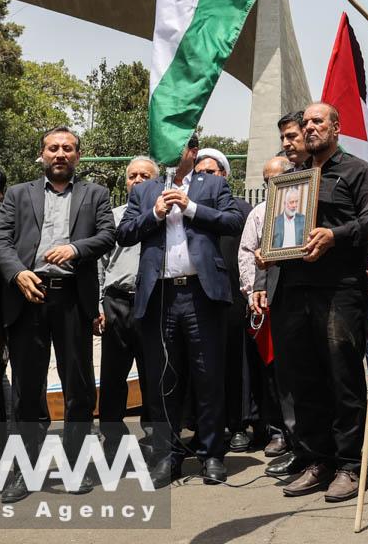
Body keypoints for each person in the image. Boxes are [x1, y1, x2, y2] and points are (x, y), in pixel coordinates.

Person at [255, 103, 368, 502]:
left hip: (339, 292)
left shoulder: (358, 171)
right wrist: (268, 252)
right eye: (304, 123)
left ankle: (348, 465)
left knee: (342, 378)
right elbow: (279, 230)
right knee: (302, 379)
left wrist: (335, 235)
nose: (309, 128)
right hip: (292, 291)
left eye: (317, 122)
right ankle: (317, 459)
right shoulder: (291, 179)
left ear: (335, 127)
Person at [0, 126, 116, 502]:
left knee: (77, 387)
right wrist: (17, 273)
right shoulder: (17, 194)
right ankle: (25, 471)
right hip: (29, 296)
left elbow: (108, 235)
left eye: (68, 148)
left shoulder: (95, 194)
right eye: (53, 148)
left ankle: (76, 466)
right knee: (27, 391)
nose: (60, 154)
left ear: (78, 155)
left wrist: (76, 249)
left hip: (73, 300)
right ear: (42, 154)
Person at [116, 134, 245, 489]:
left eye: (179, 148)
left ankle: (212, 454)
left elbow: (234, 221)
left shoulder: (213, 183)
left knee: (208, 376)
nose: (172, 155)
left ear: (193, 151)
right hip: (160, 297)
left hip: (201, 295)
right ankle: (168, 456)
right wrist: (155, 214)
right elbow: (124, 233)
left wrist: (190, 208)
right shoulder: (145, 190)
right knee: (163, 381)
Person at [194, 147, 260, 453]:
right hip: (197, 298)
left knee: (235, 364)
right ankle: (205, 428)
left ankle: (238, 424)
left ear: (224, 176)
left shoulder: (240, 210)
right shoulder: (187, 207)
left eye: (212, 172)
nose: (205, 177)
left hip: (232, 298)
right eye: (200, 172)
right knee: (203, 367)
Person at [95, 156, 158, 460]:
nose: (137, 180)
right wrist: (99, 305)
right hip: (116, 302)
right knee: (112, 376)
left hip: (152, 302)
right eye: (132, 175)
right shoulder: (112, 217)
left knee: (152, 374)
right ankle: (112, 438)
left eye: (144, 175)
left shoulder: (165, 214)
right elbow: (99, 263)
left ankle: (153, 437)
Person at [241, 156, 293, 458]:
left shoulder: (303, 209)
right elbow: (248, 254)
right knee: (271, 371)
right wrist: (252, 292)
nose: (270, 186)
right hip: (267, 302)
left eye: (275, 180)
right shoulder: (259, 214)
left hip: (298, 299)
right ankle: (277, 431)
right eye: (266, 181)